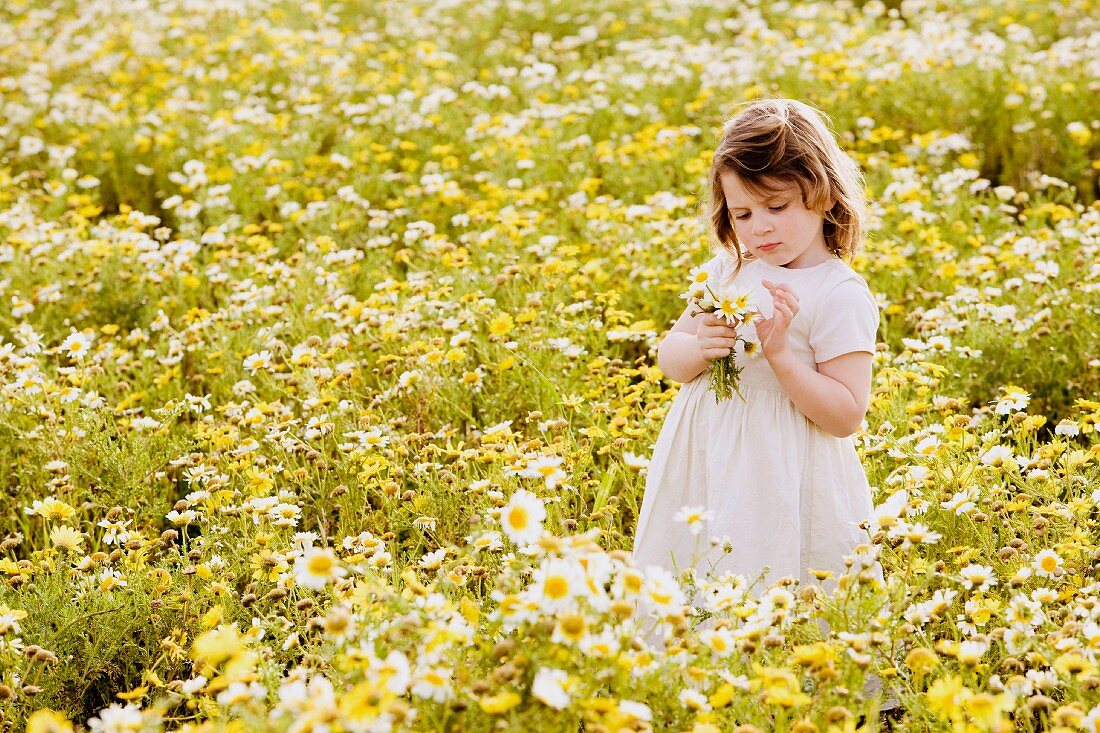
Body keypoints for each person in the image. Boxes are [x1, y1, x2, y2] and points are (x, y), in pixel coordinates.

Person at [632, 98, 882, 601]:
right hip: (707, 458)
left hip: (782, 469)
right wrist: (701, 347)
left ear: (825, 195)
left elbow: (845, 415)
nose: (758, 227)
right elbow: (671, 356)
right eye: (742, 213)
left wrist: (782, 358)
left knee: (771, 571)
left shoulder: (838, 293)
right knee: (695, 568)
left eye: (776, 207)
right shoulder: (728, 270)